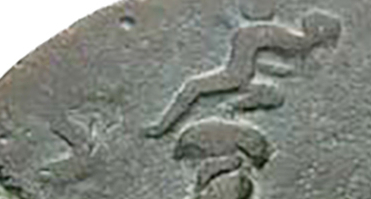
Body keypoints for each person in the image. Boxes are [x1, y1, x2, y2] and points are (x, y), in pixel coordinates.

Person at [144, 10, 341, 137]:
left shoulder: (296, 44)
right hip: (243, 66)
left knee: (194, 86)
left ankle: (163, 126)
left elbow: (262, 66)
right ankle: (164, 126)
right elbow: (264, 65)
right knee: (195, 86)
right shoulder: (295, 43)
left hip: (241, 69)